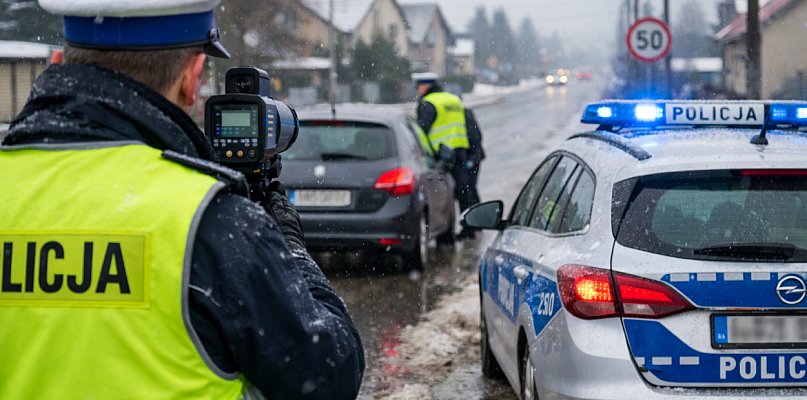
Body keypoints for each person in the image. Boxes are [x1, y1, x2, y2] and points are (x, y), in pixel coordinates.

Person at [0, 1, 364, 399]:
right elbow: (332, 375)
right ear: (191, 78)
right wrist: (291, 251)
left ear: (59, 60)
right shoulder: (211, 220)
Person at [413, 72, 475, 239]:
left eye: (418, 87)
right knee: (463, 190)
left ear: (425, 86)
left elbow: (421, 132)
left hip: (440, 155)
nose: (418, 90)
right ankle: (469, 227)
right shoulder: (453, 99)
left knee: (440, 194)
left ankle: (444, 234)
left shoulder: (428, 103)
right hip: (459, 150)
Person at [461, 108, 486, 239]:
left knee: (469, 190)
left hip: (472, 157)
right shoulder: (463, 112)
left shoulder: (464, 114)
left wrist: (472, 158)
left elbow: (475, 137)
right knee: (470, 190)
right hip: (470, 157)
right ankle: (477, 222)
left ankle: (475, 223)